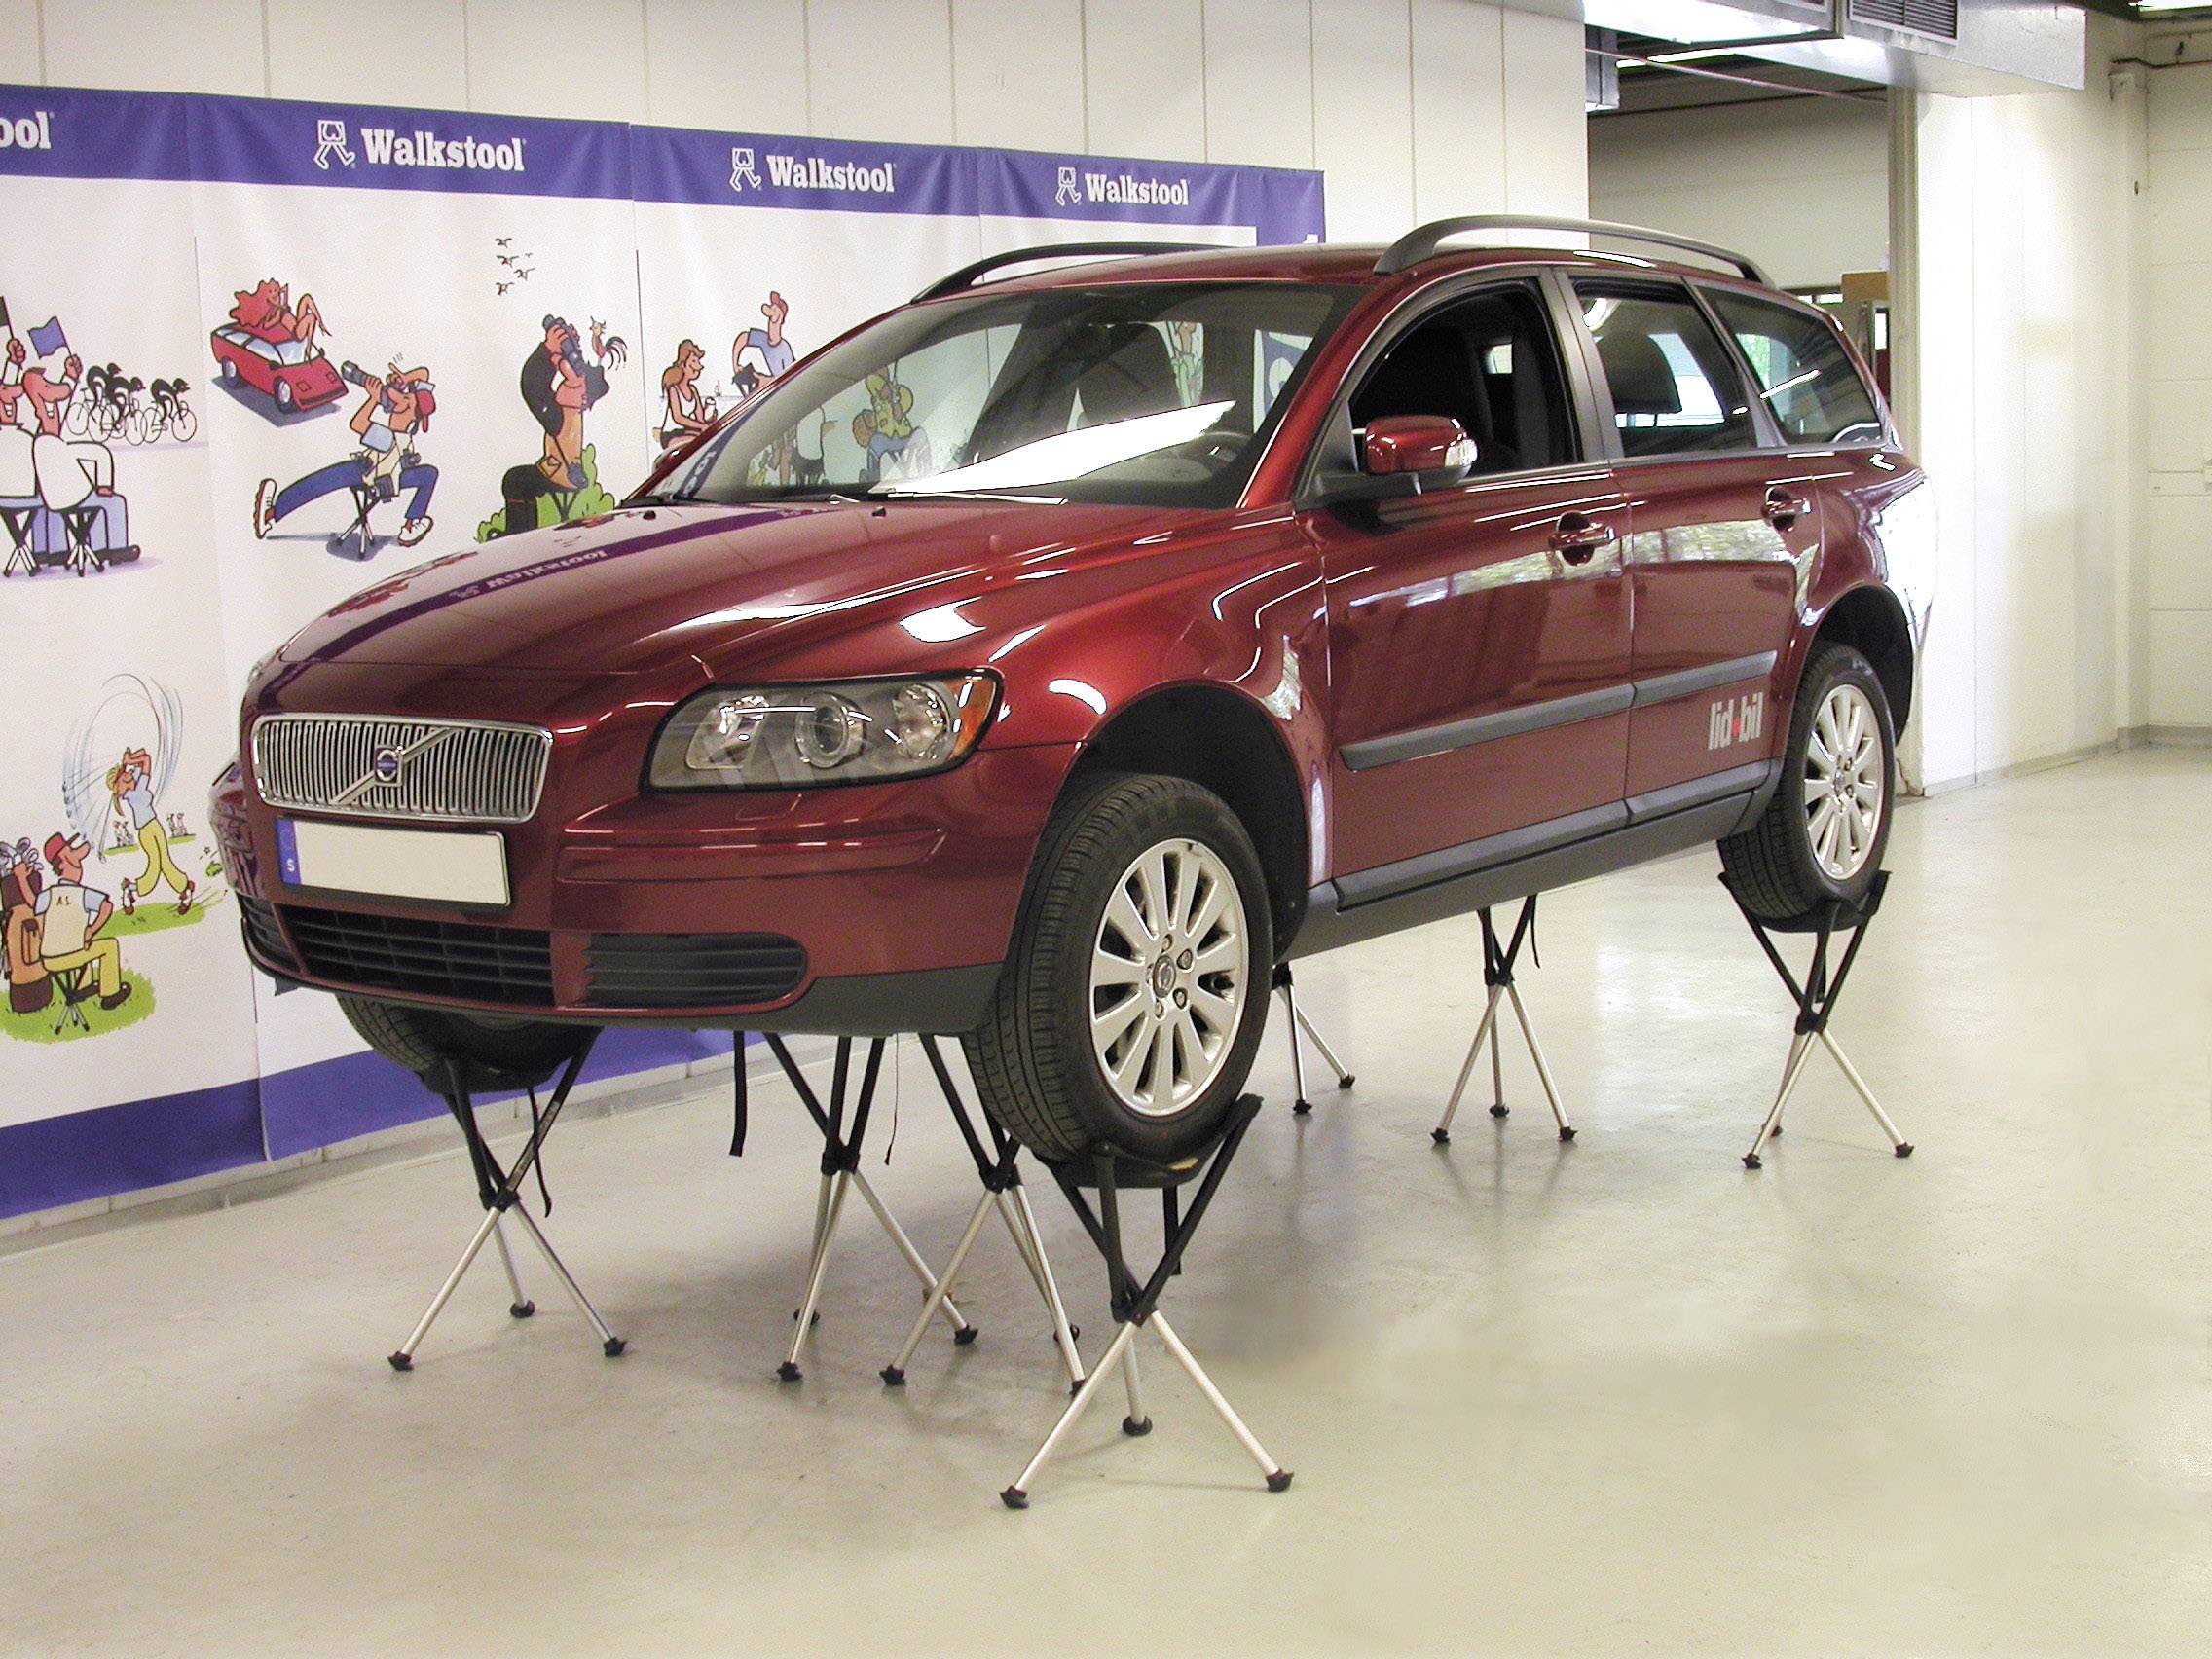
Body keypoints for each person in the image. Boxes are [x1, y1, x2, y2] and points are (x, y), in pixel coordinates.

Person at [252, 360, 436, 549]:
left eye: (407, 399)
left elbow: (357, 423)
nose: (402, 397)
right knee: (429, 474)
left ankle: (270, 514)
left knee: (318, 483)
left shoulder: (388, 437)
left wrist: (372, 399)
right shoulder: (404, 434)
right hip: (387, 476)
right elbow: (424, 373)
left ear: (411, 414)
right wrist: (405, 378)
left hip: (370, 478)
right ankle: (412, 523)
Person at [33, 831, 129, 1012]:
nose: (77, 854)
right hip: (73, 955)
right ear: (63, 859)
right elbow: (106, 906)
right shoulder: (81, 894)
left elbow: (40, 928)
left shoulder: (45, 896)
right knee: (108, 945)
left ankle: (83, 987)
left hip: (48, 960)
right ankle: (110, 994)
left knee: (80, 944)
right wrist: (91, 930)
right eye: (71, 851)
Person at [106, 747, 194, 915]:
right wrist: (130, 761)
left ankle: (182, 888)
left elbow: (145, 754)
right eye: (123, 774)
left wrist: (130, 758)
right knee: (156, 864)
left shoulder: (136, 782)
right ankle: (181, 888)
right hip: (147, 830)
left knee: (163, 862)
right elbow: (145, 761)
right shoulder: (135, 793)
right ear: (121, 784)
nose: (127, 772)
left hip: (154, 825)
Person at [658, 339, 715, 449]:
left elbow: (700, 418)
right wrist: (702, 426)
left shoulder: (693, 390)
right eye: (693, 361)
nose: (698, 366)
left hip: (686, 432)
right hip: (671, 435)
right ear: (683, 365)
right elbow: (678, 417)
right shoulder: (673, 389)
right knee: (697, 442)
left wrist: (709, 417)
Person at [733, 291, 795, 386]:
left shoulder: (784, 349)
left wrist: (765, 380)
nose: (771, 309)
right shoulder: (764, 339)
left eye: (775, 309)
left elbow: (790, 378)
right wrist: (735, 364)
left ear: (781, 317)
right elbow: (743, 338)